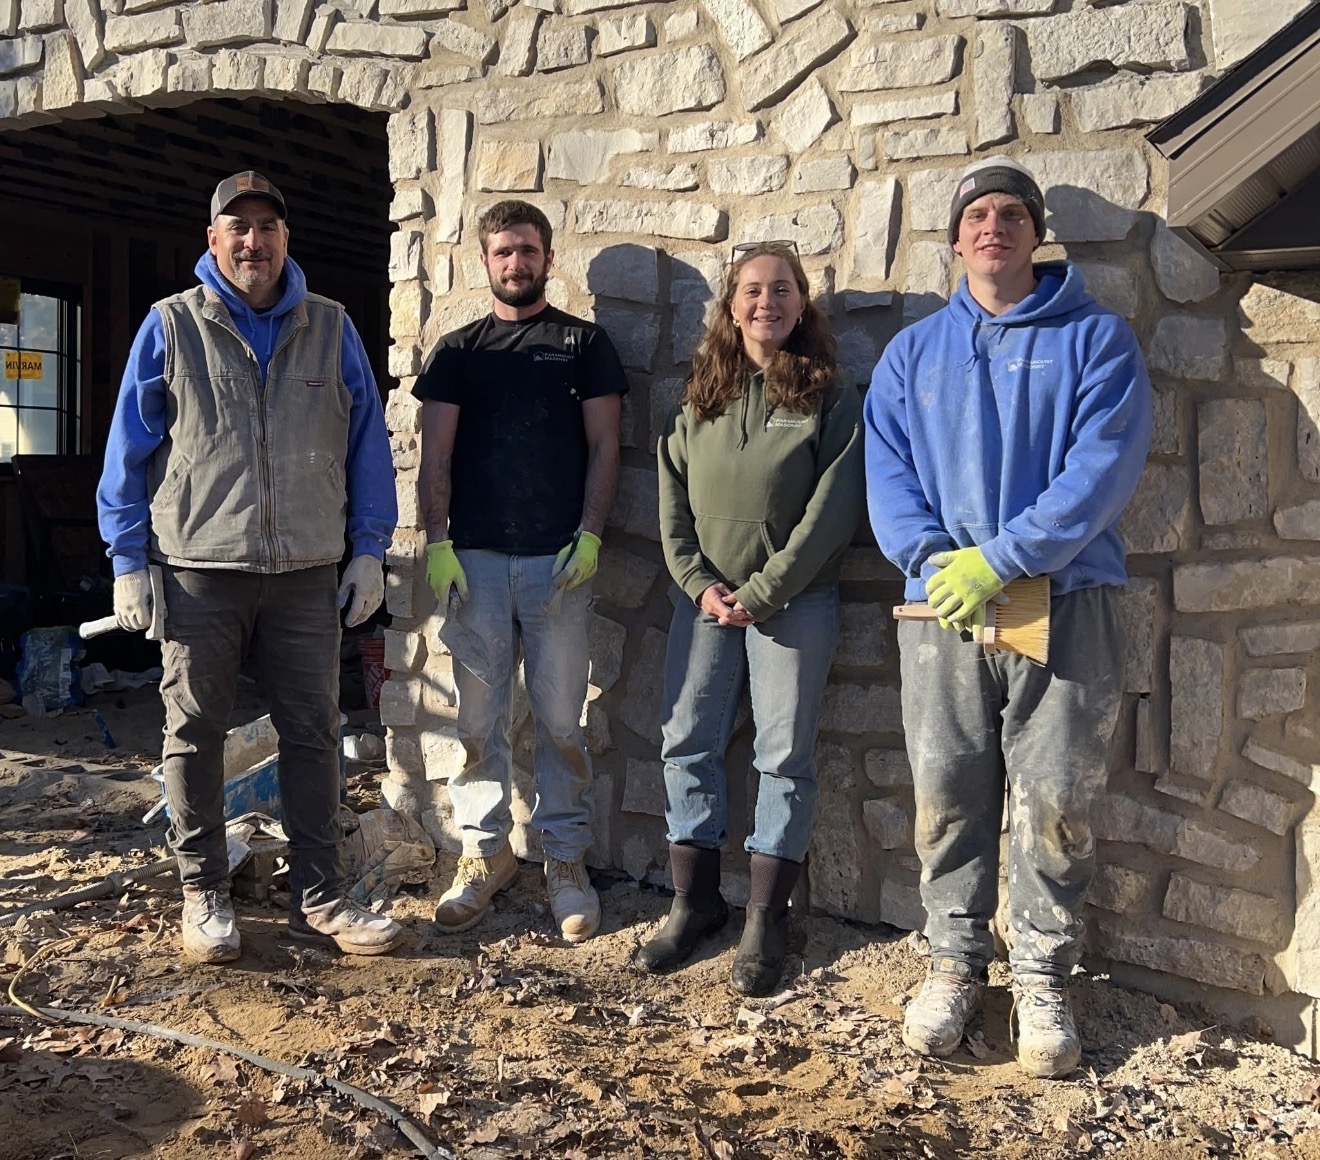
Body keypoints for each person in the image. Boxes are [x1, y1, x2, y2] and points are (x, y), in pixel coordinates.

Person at [865, 156, 1152, 1077]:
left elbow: (1100, 469)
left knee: (1058, 799)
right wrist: (934, 558)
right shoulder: (913, 354)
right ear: (956, 238)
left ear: (1037, 233)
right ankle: (953, 962)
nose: (994, 226)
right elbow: (889, 472)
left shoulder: (1097, 342)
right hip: (943, 611)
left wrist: (1004, 557)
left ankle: (1041, 974)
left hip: (1068, 603)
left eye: (1012, 215)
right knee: (947, 794)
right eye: (977, 215)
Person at [96, 170, 404, 963]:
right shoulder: (171, 326)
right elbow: (127, 452)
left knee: (313, 732)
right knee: (193, 732)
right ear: (214, 241)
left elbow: (369, 444)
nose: (253, 241)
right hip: (199, 567)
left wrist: (369, 548)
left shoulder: (332, 329)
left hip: (304, 570)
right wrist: (129, 558)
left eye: (267, 226)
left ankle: (320, 899)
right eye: (238, 227)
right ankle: (204, 893)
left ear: (285, 240)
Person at [642, 240, 865, 996]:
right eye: (750, 291)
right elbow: (672, 501)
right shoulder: (700, 393)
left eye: (780, 290)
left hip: (793, 603)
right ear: (729, 307)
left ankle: (766, 920)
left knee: (783, 756)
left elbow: (835, 507)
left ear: (802, 304)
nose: (765, 303)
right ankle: (693, 901)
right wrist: (697, 583)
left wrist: (765, 589)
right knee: (688, 738)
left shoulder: (828, 394)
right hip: (705, 603)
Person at [415, 199, 626, 944]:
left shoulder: (583, 345)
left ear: (548, 257)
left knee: (562, 723)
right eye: (503, 252)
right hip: (472, 561)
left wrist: (591, 535)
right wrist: (437, 542)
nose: (516, 263)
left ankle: (565, 863)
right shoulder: (457, 352)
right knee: (478, 720)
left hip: (558, 563)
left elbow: (606, 447)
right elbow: (434, 454)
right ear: (484, 261)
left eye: (528, 250)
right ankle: (484, 853)